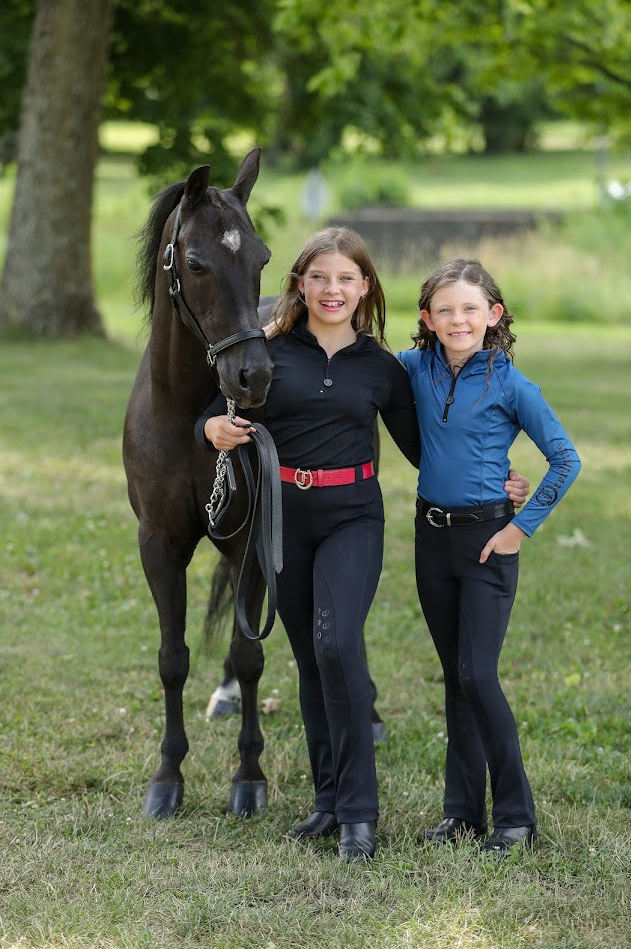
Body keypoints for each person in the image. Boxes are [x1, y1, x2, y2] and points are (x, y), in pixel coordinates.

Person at [195, 230, 529, 861]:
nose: (332, 290)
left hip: (353, 517)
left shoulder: (380, 366)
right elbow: (210, 416)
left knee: (338, 643)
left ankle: (359, 815)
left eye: (347, 278)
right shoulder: (267, 353)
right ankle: (327, 802)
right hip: (282, 519)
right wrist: (211, 427)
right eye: (319, 277)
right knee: (310, 658)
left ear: (366, 288)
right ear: (298, 283)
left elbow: (430, 450)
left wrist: (496, 479)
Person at [397, 257, 581, 857]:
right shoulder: (413, 367)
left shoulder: (511, 383)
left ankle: (516, 817)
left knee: (479, 674)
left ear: (492, 315)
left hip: (488, 542)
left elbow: (566, 459)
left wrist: (519, 528)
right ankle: (461, 814)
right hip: (431, 539)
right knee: (456, 679)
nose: (457, 319)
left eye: (470, 309)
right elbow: (350, 356)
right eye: (444, 310)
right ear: (427, 318)